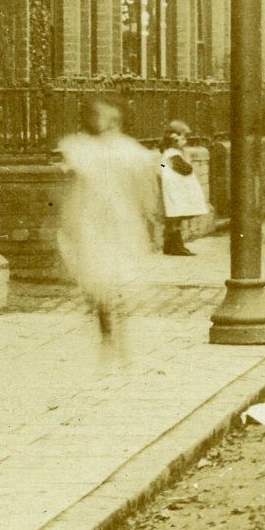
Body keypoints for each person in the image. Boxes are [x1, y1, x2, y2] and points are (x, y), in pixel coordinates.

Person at [55, 99, 162, 354]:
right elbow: (73, 181)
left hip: (120, 217)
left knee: (116, 273)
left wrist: (149, 212)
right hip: (91, 216)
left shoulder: (127, 149)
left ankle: (115, 328)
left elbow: (148, 178)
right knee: (94, 273)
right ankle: (106, 328)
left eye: (104, 118)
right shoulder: (83, 149)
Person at [156, 121, 210, 256]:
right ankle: (176, 246)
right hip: (176, 189)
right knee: (175, 217)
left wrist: (165, 170)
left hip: (174, 187)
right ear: (175, 139)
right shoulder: (173, 153)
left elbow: (163, 166)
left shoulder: (168, 153)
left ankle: (170, 246)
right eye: (183, 137)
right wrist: (188, 166)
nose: (185, 141)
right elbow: (184, 169)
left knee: (175, 216)